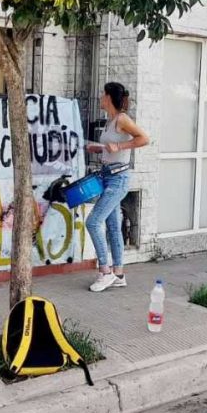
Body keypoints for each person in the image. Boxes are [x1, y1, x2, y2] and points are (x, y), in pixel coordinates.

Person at [84, 82, 149, 292]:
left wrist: (120, 146)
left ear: (109, 97)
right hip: (107, 175)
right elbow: (110, 148)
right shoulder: (110, 121)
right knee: (113, 226)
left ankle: (105, 271)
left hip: (118, 179)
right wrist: (99, 149)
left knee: (93, 222)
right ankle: (119, 274)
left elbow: (144, 138)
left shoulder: (122, 119)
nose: (100, 97)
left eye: (103, 94)